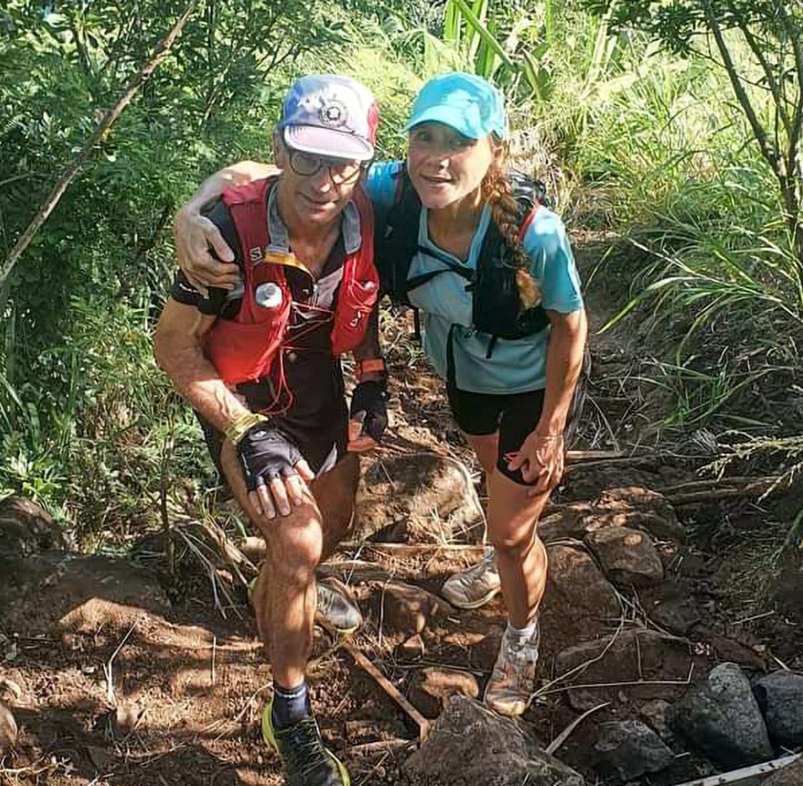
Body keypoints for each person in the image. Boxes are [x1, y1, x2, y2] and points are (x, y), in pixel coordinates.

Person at [174, 72, 588, 718]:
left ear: (495, 151)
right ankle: (500, 551)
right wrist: (192, 211)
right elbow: (275, 174)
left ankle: (522, 634)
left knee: (511, 530)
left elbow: (571, 324)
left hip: (533, 384)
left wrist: (553, 427)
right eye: (425, 137)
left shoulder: (532, 234)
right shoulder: (389, 192)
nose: (437, 157)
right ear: (404, 146)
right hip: (467, 378)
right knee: (492, 485)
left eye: (459, 141)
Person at [155, 74, 390, 786]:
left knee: (333, 526)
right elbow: (173, 344)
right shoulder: (226, 233)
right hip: (244, 397)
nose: (323, 180)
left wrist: (374, 374)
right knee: (297, 540)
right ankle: (290, 717)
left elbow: (366, 295)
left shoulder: (366, 215)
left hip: (320, 388)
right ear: (279, 149)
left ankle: (283, 591)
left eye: (341, 162)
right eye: (307, 158)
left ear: (364, 164)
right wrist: (243, 431)